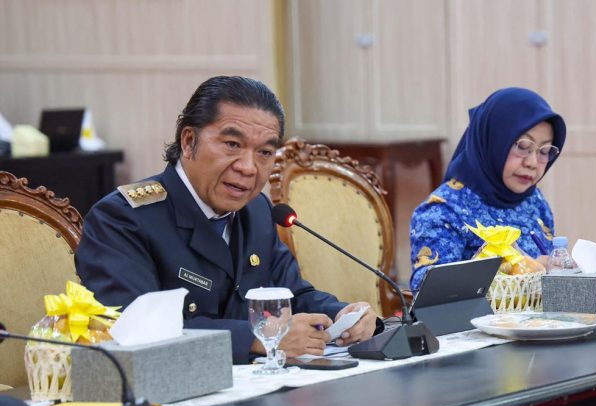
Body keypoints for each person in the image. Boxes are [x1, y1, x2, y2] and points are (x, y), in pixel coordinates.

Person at [76, 76, 381, 364]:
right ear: (189, 141)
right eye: (232, 145)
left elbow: (292, 294)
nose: (249, 167)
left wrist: (343, 315)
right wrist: (256, 339)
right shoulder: (122, 218)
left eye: (264, 152)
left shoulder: (256, 210)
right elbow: (136, 332)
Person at [409, 88, 566, 290]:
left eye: (544, 151)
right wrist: (525, 272)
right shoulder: (442, 211)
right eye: (523, 146)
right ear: (492, 141)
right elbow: (428, 291)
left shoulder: (534, 201)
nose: (533, 163)